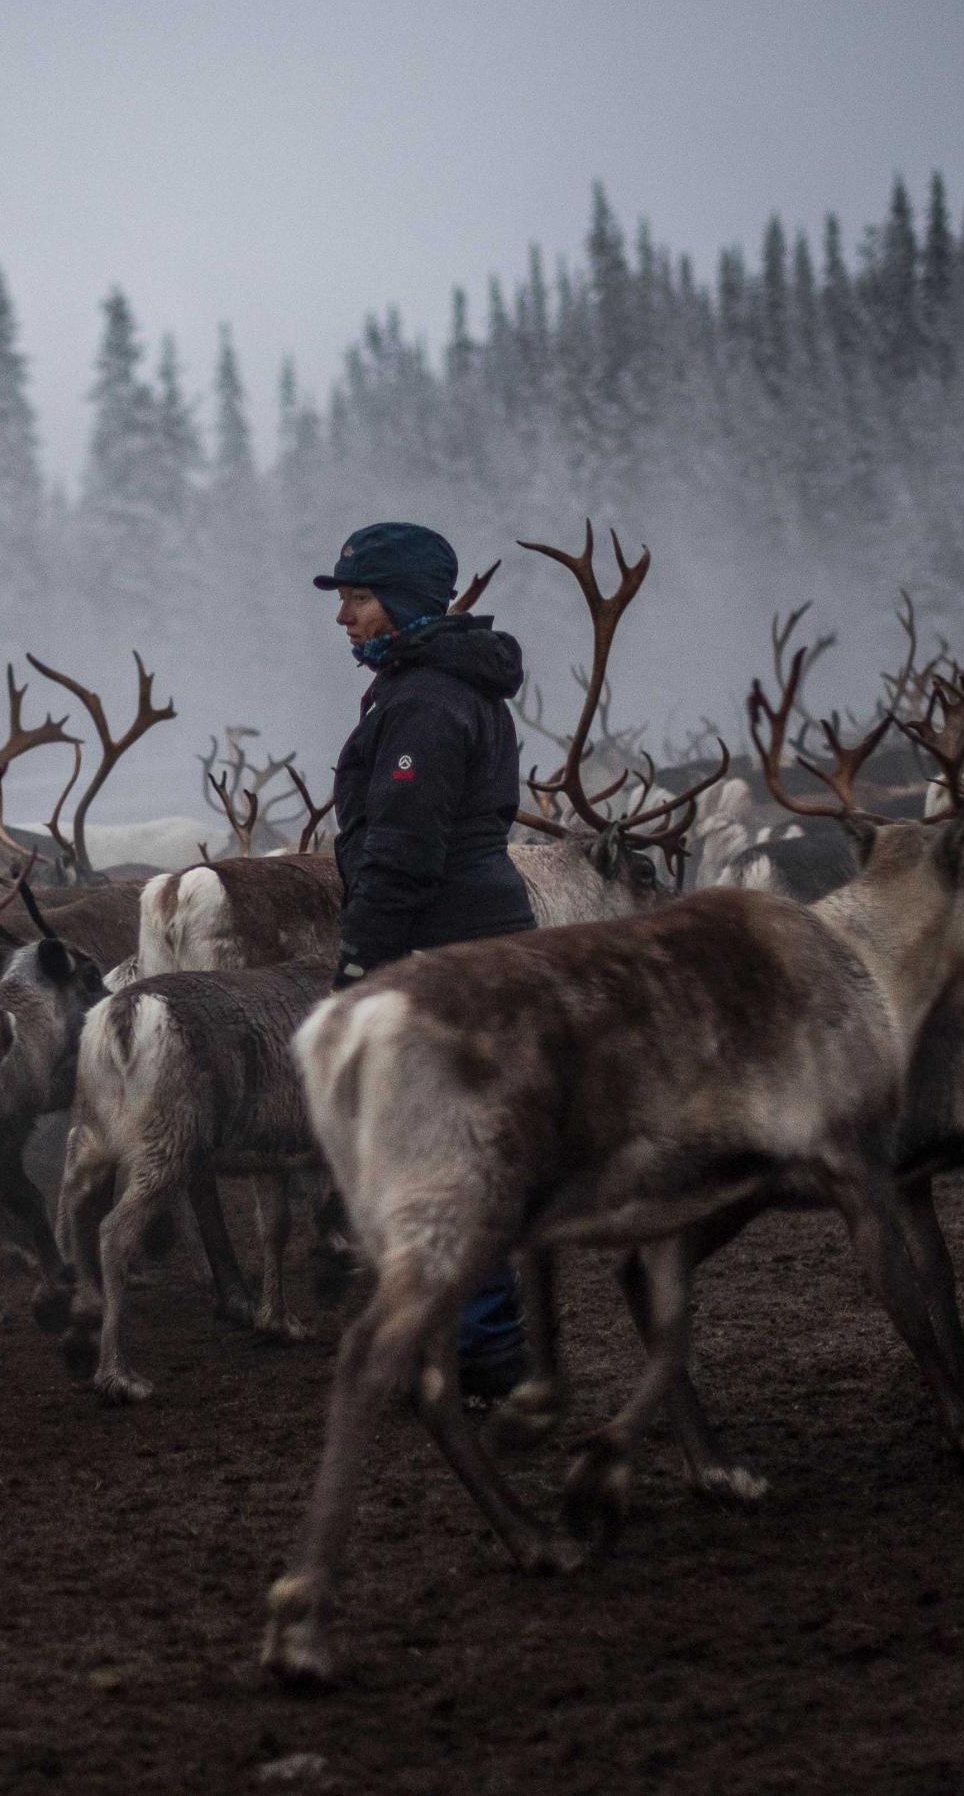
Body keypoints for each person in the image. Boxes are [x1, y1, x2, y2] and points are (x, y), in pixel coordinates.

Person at [314, 520, 533, 1398]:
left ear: (401, 604)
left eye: (357, 600)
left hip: (448, 953)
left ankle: (483, 1350)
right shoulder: (432, 688)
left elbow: (404, 850)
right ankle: (476, 1340)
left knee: (446, 1149)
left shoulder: (426, 703)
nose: (344, 619)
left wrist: (361, 964)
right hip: (474, 937)